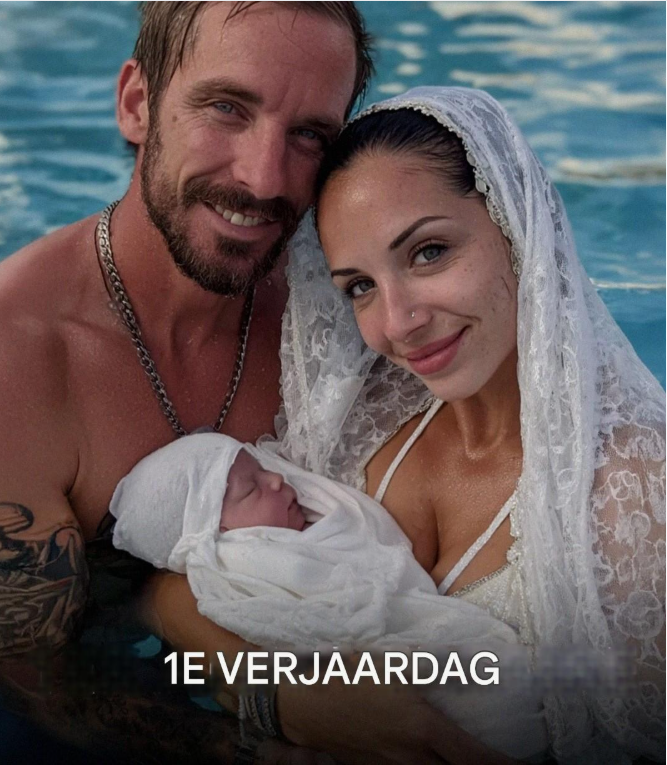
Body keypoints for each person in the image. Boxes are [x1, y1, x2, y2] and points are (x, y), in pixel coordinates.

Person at [0, 2, 372, 761]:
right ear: (137, 104)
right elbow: (31, 678)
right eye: (227, 108)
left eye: (309, 135)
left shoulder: (347, 311)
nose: (264, 178)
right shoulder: (21, 359)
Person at [271, 86, 665, 762]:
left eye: (428, 252)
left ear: (517, 228)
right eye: (360, 286)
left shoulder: (632, 495)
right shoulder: (363, 421)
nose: (397, 323)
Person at [109, 431, 549, 760]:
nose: (277, 480)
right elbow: (303, 619)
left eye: (264, 469)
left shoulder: (303, 519)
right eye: (251, 488)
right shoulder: (241, 562)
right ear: (215, 533)